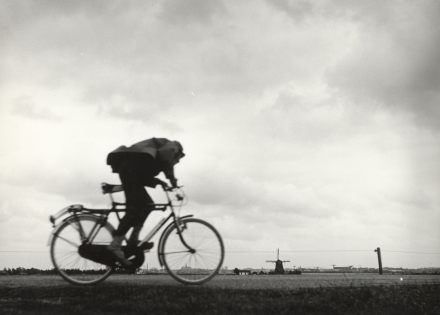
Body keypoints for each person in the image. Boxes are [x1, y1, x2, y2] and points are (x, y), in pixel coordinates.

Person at [106, 137, 185, 266]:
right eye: (178, 158)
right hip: (130, 172)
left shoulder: (160, 150)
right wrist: (172, 179)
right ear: (177, 152)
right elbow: (166, 159)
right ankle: (115, 246)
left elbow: (144, 173)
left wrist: (160, 182)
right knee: (135, 207)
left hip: (132, 173)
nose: (177, 161)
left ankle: (133, 239)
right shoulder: (171, 146)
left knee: (148, 205)